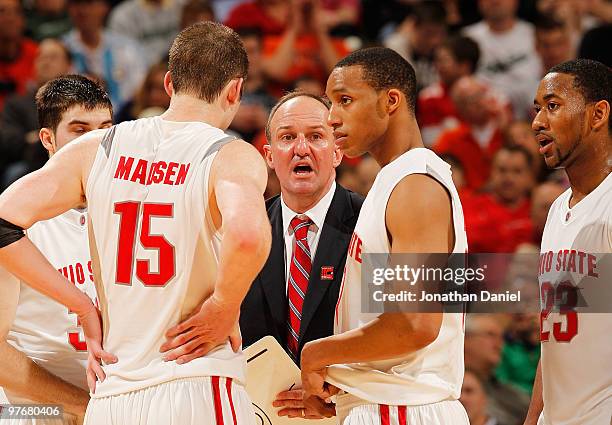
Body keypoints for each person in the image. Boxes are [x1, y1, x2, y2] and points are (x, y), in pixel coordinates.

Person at [0, 21, 271, 424]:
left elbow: (4, 220)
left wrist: (81, 305)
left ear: (168, 84)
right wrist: (222, 306)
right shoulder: (228, 153)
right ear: (234, 91)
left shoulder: (97, 148)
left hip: (112, 394)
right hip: (193, 381)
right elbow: (248, 236)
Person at [300, 47, 469, 424]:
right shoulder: (391, 180)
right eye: (330, 103)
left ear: (391, 100)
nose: (332, 117)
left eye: (345, 100)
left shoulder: (416, 184)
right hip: (385, 403)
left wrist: (318, 355)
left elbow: (414, 324)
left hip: (404, 407)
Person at [239, 92, 363, 419]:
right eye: (288, 137)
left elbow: (399, 327)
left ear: (337, 152)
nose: (301, 148)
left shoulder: (372, 223)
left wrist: (333, 382)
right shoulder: (243, 231)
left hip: (347, 411)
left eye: (316, 137)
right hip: (263, 412)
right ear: (268, 155)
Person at [0, 75, 113, 425]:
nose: (95, 144)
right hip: (37, 411)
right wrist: (81, 406)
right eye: (80, 131)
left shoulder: (133, 213)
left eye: (105, 130)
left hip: (117, 408)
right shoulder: (12, 221)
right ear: (47, 139)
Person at [525, 59, 612, 425]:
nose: (538, 122)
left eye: (553, 105)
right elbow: (556, 335)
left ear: (598, 114)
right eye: (537, 109)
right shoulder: (558, 208)